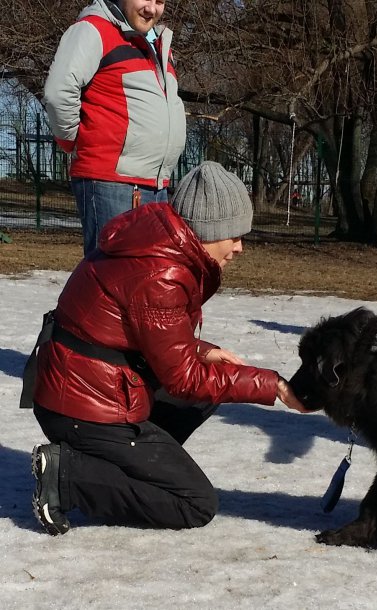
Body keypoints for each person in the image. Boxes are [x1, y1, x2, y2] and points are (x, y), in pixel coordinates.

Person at [28, 161, 307, 536]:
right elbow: (183, 379)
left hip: (87, 391)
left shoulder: (159, 245)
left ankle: (124, 465)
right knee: (194, 503)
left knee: (209, 392)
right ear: (208, 229)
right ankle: (69, 475)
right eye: (234, 234)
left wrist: (202, 350)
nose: (240, 247)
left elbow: (144, 332)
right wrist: (273, 386)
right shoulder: (161, 273)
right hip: (83, 409)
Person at [43, 0, 186, 255]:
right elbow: (58, 92)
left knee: (140, 280)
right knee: (113, 279)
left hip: (155, 185)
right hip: (112, 183)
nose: (152, 9)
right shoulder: (93, 30)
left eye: (160, 1)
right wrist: (73, 141)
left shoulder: (158, 45)